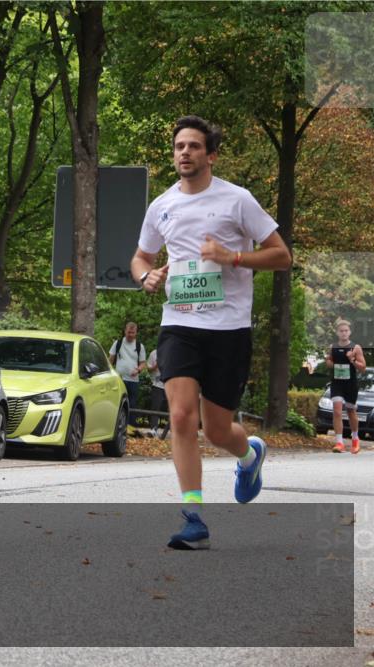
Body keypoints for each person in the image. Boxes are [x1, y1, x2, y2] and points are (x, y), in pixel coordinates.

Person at [131, 115, 292, 550]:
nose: (185, 152)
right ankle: (193, 516)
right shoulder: (161, 206)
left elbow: (282, 256)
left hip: (228, 328)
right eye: (179, 146)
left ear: (211, 155)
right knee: (182, 416)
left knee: (217, 430)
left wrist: (232, 257)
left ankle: (249, 453)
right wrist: (146, 277)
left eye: (194, 146)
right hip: (179, 324)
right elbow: (141, 258)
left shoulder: (238, 201)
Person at [325, 318, 367, 454]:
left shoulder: (356, 348)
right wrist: (329, 362)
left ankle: (355, 439)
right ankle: (339, 442)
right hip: (337, 383)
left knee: (350, 411)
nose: (343, 333)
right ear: (337, 333)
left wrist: (352, 359)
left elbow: (363, 368)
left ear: (350, 332)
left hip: (350, 384)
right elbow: (329, 363)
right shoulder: (333, 347)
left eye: (346, 331)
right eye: (341, 331)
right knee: (337, 410)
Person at [109, 322, 146, 427]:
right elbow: (110, 360)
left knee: (132, 404)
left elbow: (143, 363)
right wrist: (109, 373)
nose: (130, 334)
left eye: (132, 332)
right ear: (125, 331)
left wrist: (138, 370)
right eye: (128, 332)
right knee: (119, 402)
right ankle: (117, 425)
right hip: (119, 379)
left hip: (133, 380)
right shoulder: (118, 343)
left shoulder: (139, 346)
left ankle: (130, 427)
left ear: (136, 333)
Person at [146, 348, 170, 439]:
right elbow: (148, 368)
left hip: (171, 385)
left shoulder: (174, 351)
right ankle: (153, 429)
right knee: (155, 407)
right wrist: (155, 366)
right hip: (157, 385)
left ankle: (174, 430)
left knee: (173, 408)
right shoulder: (154, 353)